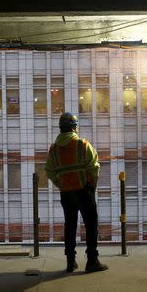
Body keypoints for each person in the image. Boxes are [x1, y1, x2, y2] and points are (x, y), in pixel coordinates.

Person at [45, 112, 108, 273]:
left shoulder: (53, 150)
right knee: (91, 225)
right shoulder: (83, 144)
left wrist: (60, 183)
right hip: (83, 191)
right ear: (74, 127)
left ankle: (70, 262)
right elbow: (94, 168)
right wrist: (92, 187)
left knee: (70, 225)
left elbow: (49, 171)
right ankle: (92, 261)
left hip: (66, 193)